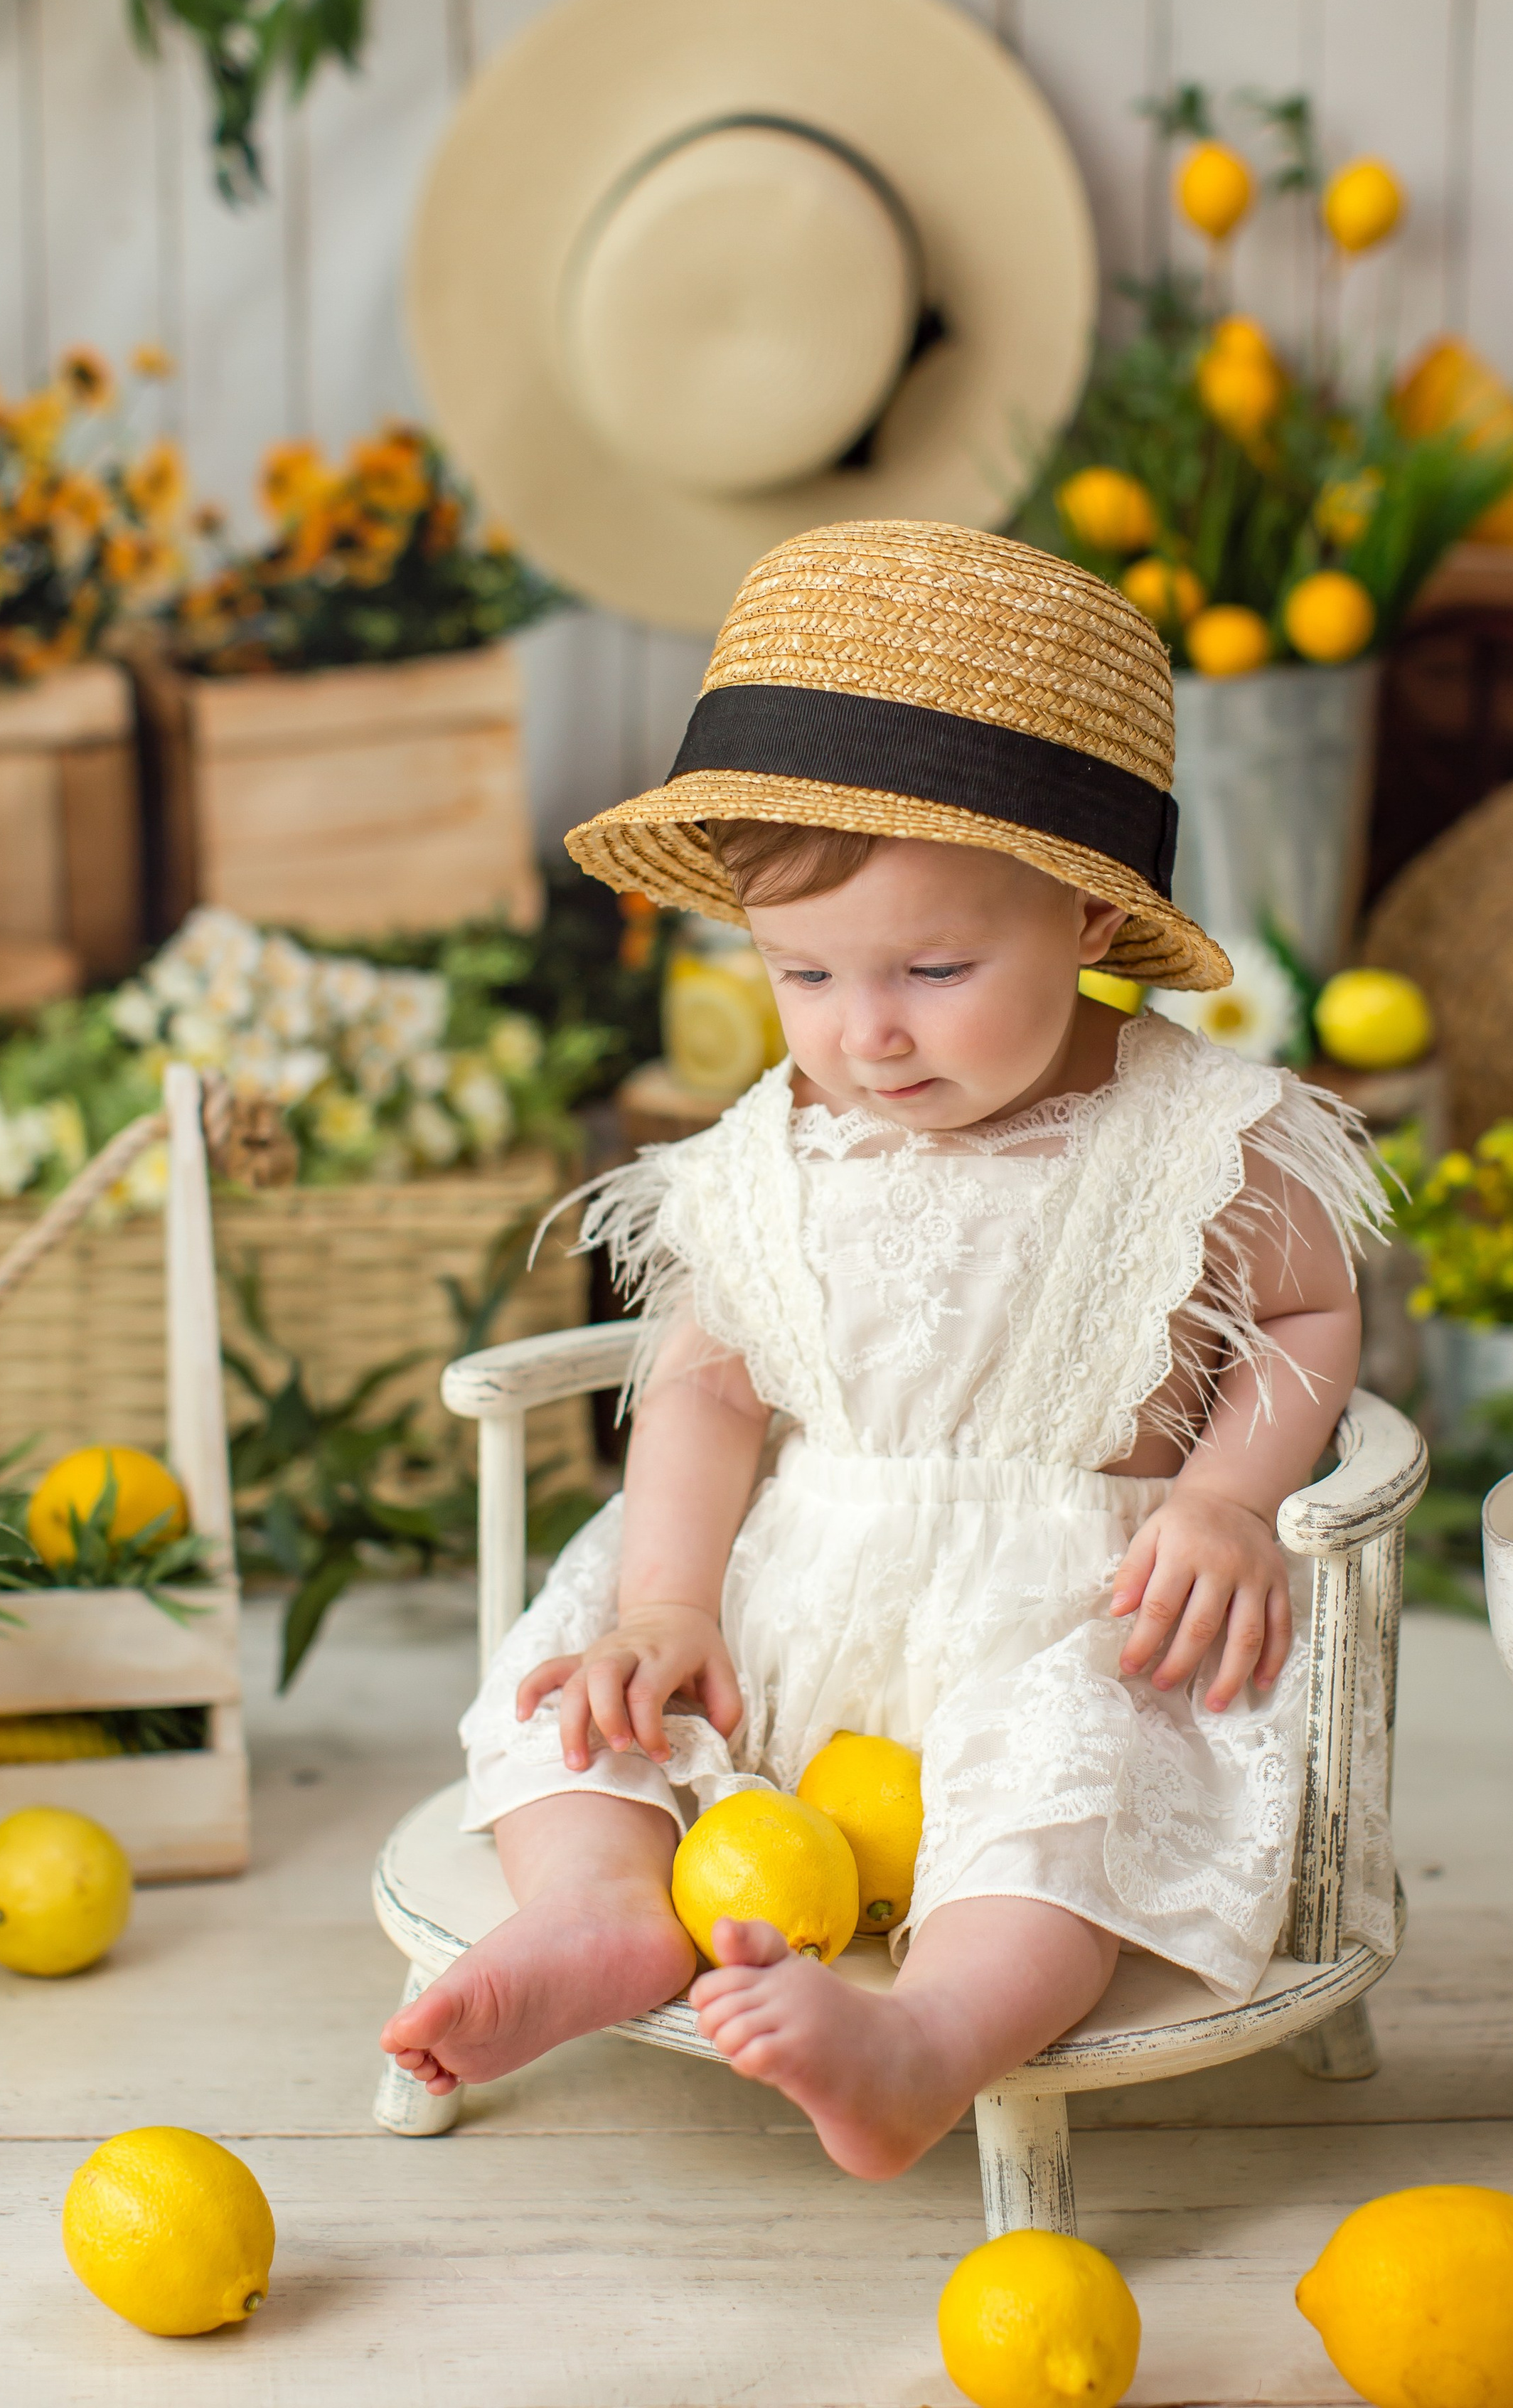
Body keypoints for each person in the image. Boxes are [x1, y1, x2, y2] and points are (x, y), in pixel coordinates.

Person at [380, 519, 1391, 2180]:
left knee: (1065, 1777)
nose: (868, 1030)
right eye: (804, 974)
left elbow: (1305, 1309)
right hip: (786, 1595)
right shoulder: (774, 1151)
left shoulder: (1196, 1139)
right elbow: (707, 1383)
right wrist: (667, 1604)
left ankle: (926, 2037)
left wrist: (1223, 1498)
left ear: (1082, 916)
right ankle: (599, 1910)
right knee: (583, 1703)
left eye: (932, 966)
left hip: (1066, 1605)